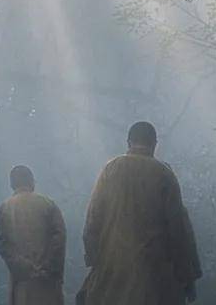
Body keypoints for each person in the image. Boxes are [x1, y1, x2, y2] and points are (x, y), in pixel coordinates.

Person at [77, 122, 201, 305]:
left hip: (112, 275)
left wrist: (96, 262)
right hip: (155, 279)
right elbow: (178, 231)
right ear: (154, 144)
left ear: (128, 142)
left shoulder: (110, 170)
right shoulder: (164, 174)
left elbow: (91, 223)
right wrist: (187, 276)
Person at [0, 165, 67, 305]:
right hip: (47, 281)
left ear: (12, 184)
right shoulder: (48, 205)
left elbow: (0, 242)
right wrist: (48, 266)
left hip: (21, 281)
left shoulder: (4, 209)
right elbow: (59, 237)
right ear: (31, 181)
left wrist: (20, 266)